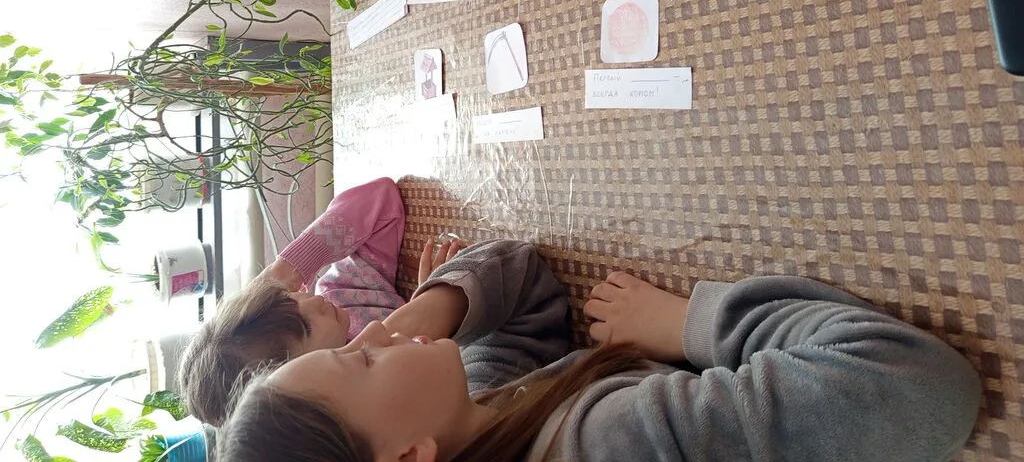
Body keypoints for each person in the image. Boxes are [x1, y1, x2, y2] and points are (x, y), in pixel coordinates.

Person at [218, 238, 982, 462]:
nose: (372, 335)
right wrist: (686, 324)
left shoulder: (479, 419)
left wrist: (427, 312)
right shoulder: (609, 441)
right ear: (410, 456)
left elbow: (523, 279)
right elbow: (917, 386)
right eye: (361, 359)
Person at [177, 176, 461, 426]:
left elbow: (381, 199)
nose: (310, 302)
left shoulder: (339, 292)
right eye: (306, 326)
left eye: (289, 300)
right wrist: (428, 300)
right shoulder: (377, 410)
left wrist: (288, 269)